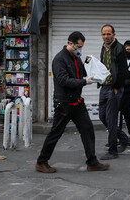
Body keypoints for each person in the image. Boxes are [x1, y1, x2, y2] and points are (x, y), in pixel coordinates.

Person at [35, 31, 109, 173]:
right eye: (78, 47)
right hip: (63, 103)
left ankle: (92, 162)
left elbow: (82, 73)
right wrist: (85, 81)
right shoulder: (59, 59)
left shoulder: (76, 58)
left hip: (77, 102)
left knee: (87, 129)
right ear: (70, 43)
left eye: (81, 47)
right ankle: (41, 162)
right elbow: (64, 80)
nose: (79, 49)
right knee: (56, 132)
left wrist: (90, 65)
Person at [97, 24, 130, 160]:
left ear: (114, 35)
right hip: (104, 87)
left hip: (113, 88)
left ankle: (113, 151)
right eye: (104, 34)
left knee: (111, 120)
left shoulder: (119, 48)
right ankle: (124, 139)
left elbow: (123, 70)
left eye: (108, 34)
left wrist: (117, 86)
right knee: (102, 116)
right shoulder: (103, 48)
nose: (106, 36)